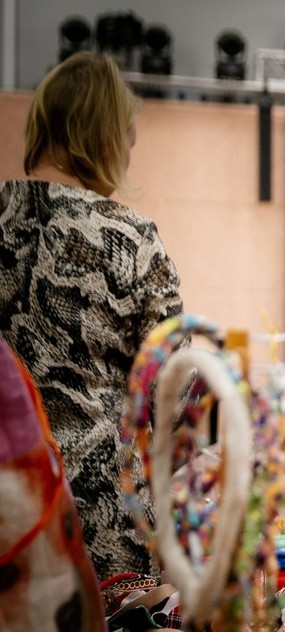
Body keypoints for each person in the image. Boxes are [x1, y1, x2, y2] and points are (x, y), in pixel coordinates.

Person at [0, 51, 182, 581]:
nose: (131, 145)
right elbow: (172, 393)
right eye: (126, 131)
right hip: (100, 513)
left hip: (10, 492)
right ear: (101, 135)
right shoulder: (131, 239)